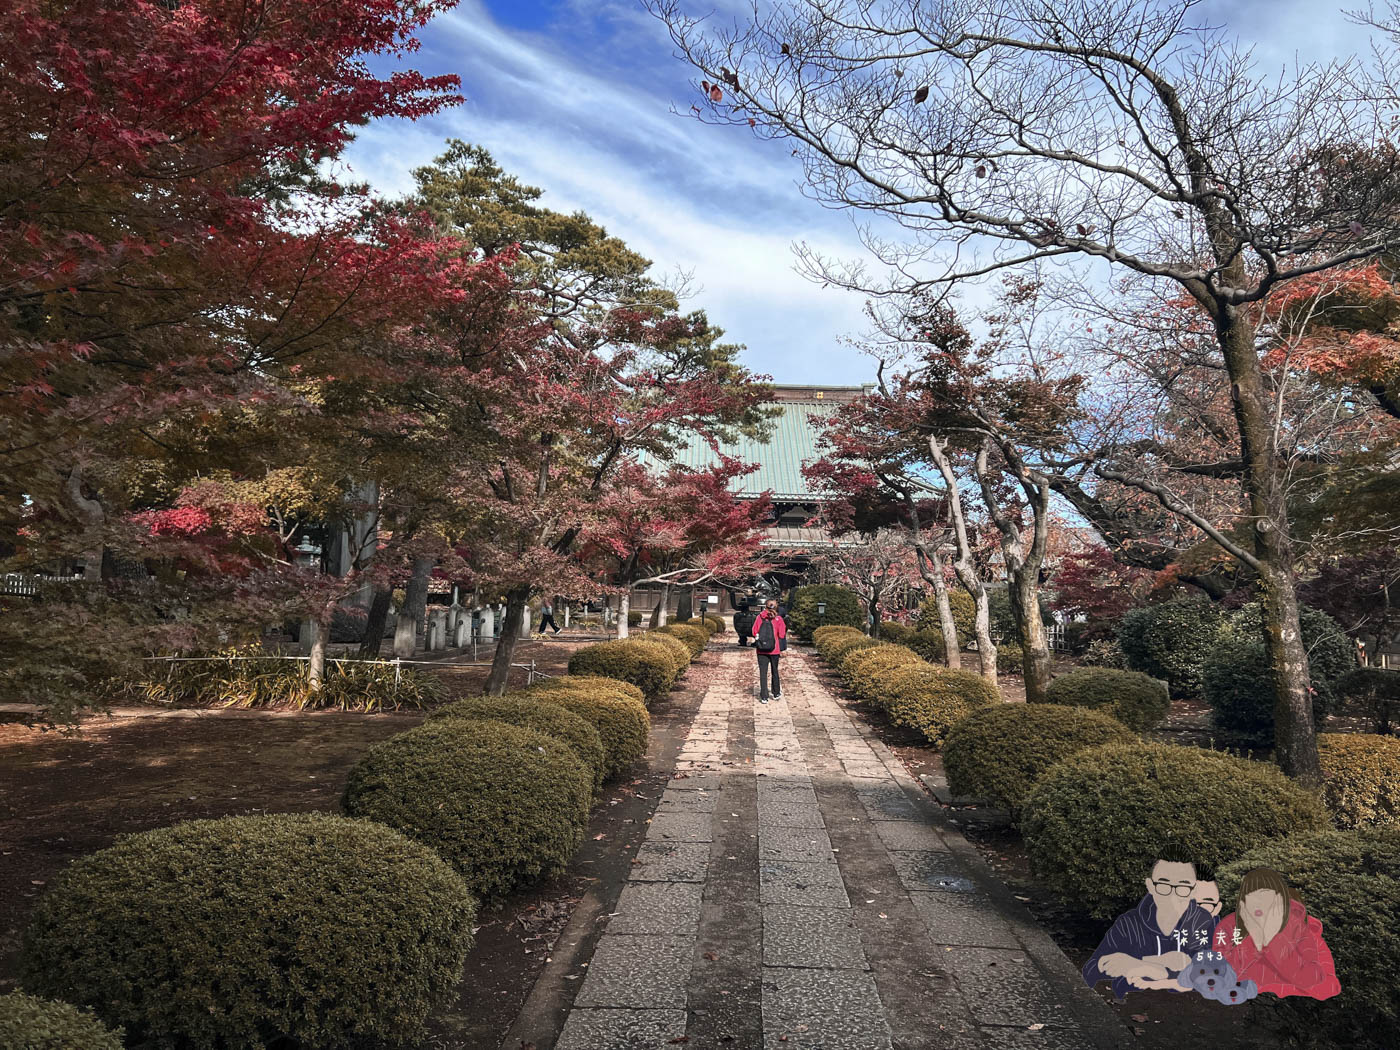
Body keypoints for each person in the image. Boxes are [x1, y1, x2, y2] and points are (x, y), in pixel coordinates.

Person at [1083, 854, 1218, 1000]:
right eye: (1163, 885)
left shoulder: (1206, 923)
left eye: (1183, 886)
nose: (1173, 895)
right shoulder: (1129, 923)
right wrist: (1154, 964)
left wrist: (1157, 970)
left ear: (1194, 890)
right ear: (1150, 886)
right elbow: (1090, 971)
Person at [1213, 867, 1340, 1000]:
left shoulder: (1306, 934)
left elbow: (1328, 987)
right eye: (1251, 895)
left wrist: (1274, 941)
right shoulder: (1230, 928)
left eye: (1265, 894)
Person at [754, 599, 787, 703]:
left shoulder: (759, 617)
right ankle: (776, 692)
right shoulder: (778, 619)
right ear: (776, 607)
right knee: (774, 671)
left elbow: (754, 631)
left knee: (763, 673)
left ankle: (764, 696)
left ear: (765, 606)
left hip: (761, 649)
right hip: (774, 649)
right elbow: (782, 635)